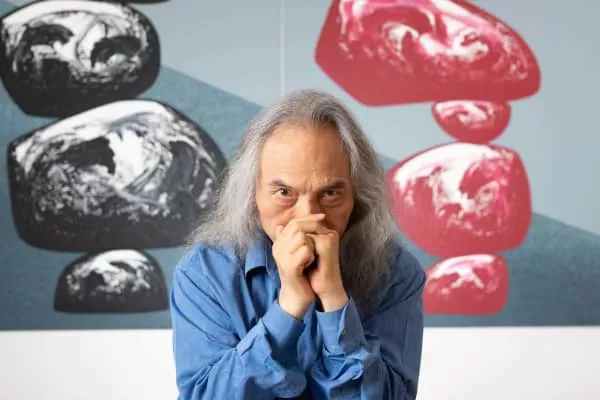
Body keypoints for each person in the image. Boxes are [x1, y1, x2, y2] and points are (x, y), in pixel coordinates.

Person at [170, 89, 426, 399]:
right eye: (284, 193)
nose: (308, 217)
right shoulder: (205, 274)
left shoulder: (396, 273)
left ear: (357, 195)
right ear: (253, 194)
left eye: (330, 194)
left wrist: (334, 300)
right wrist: (289, 307)